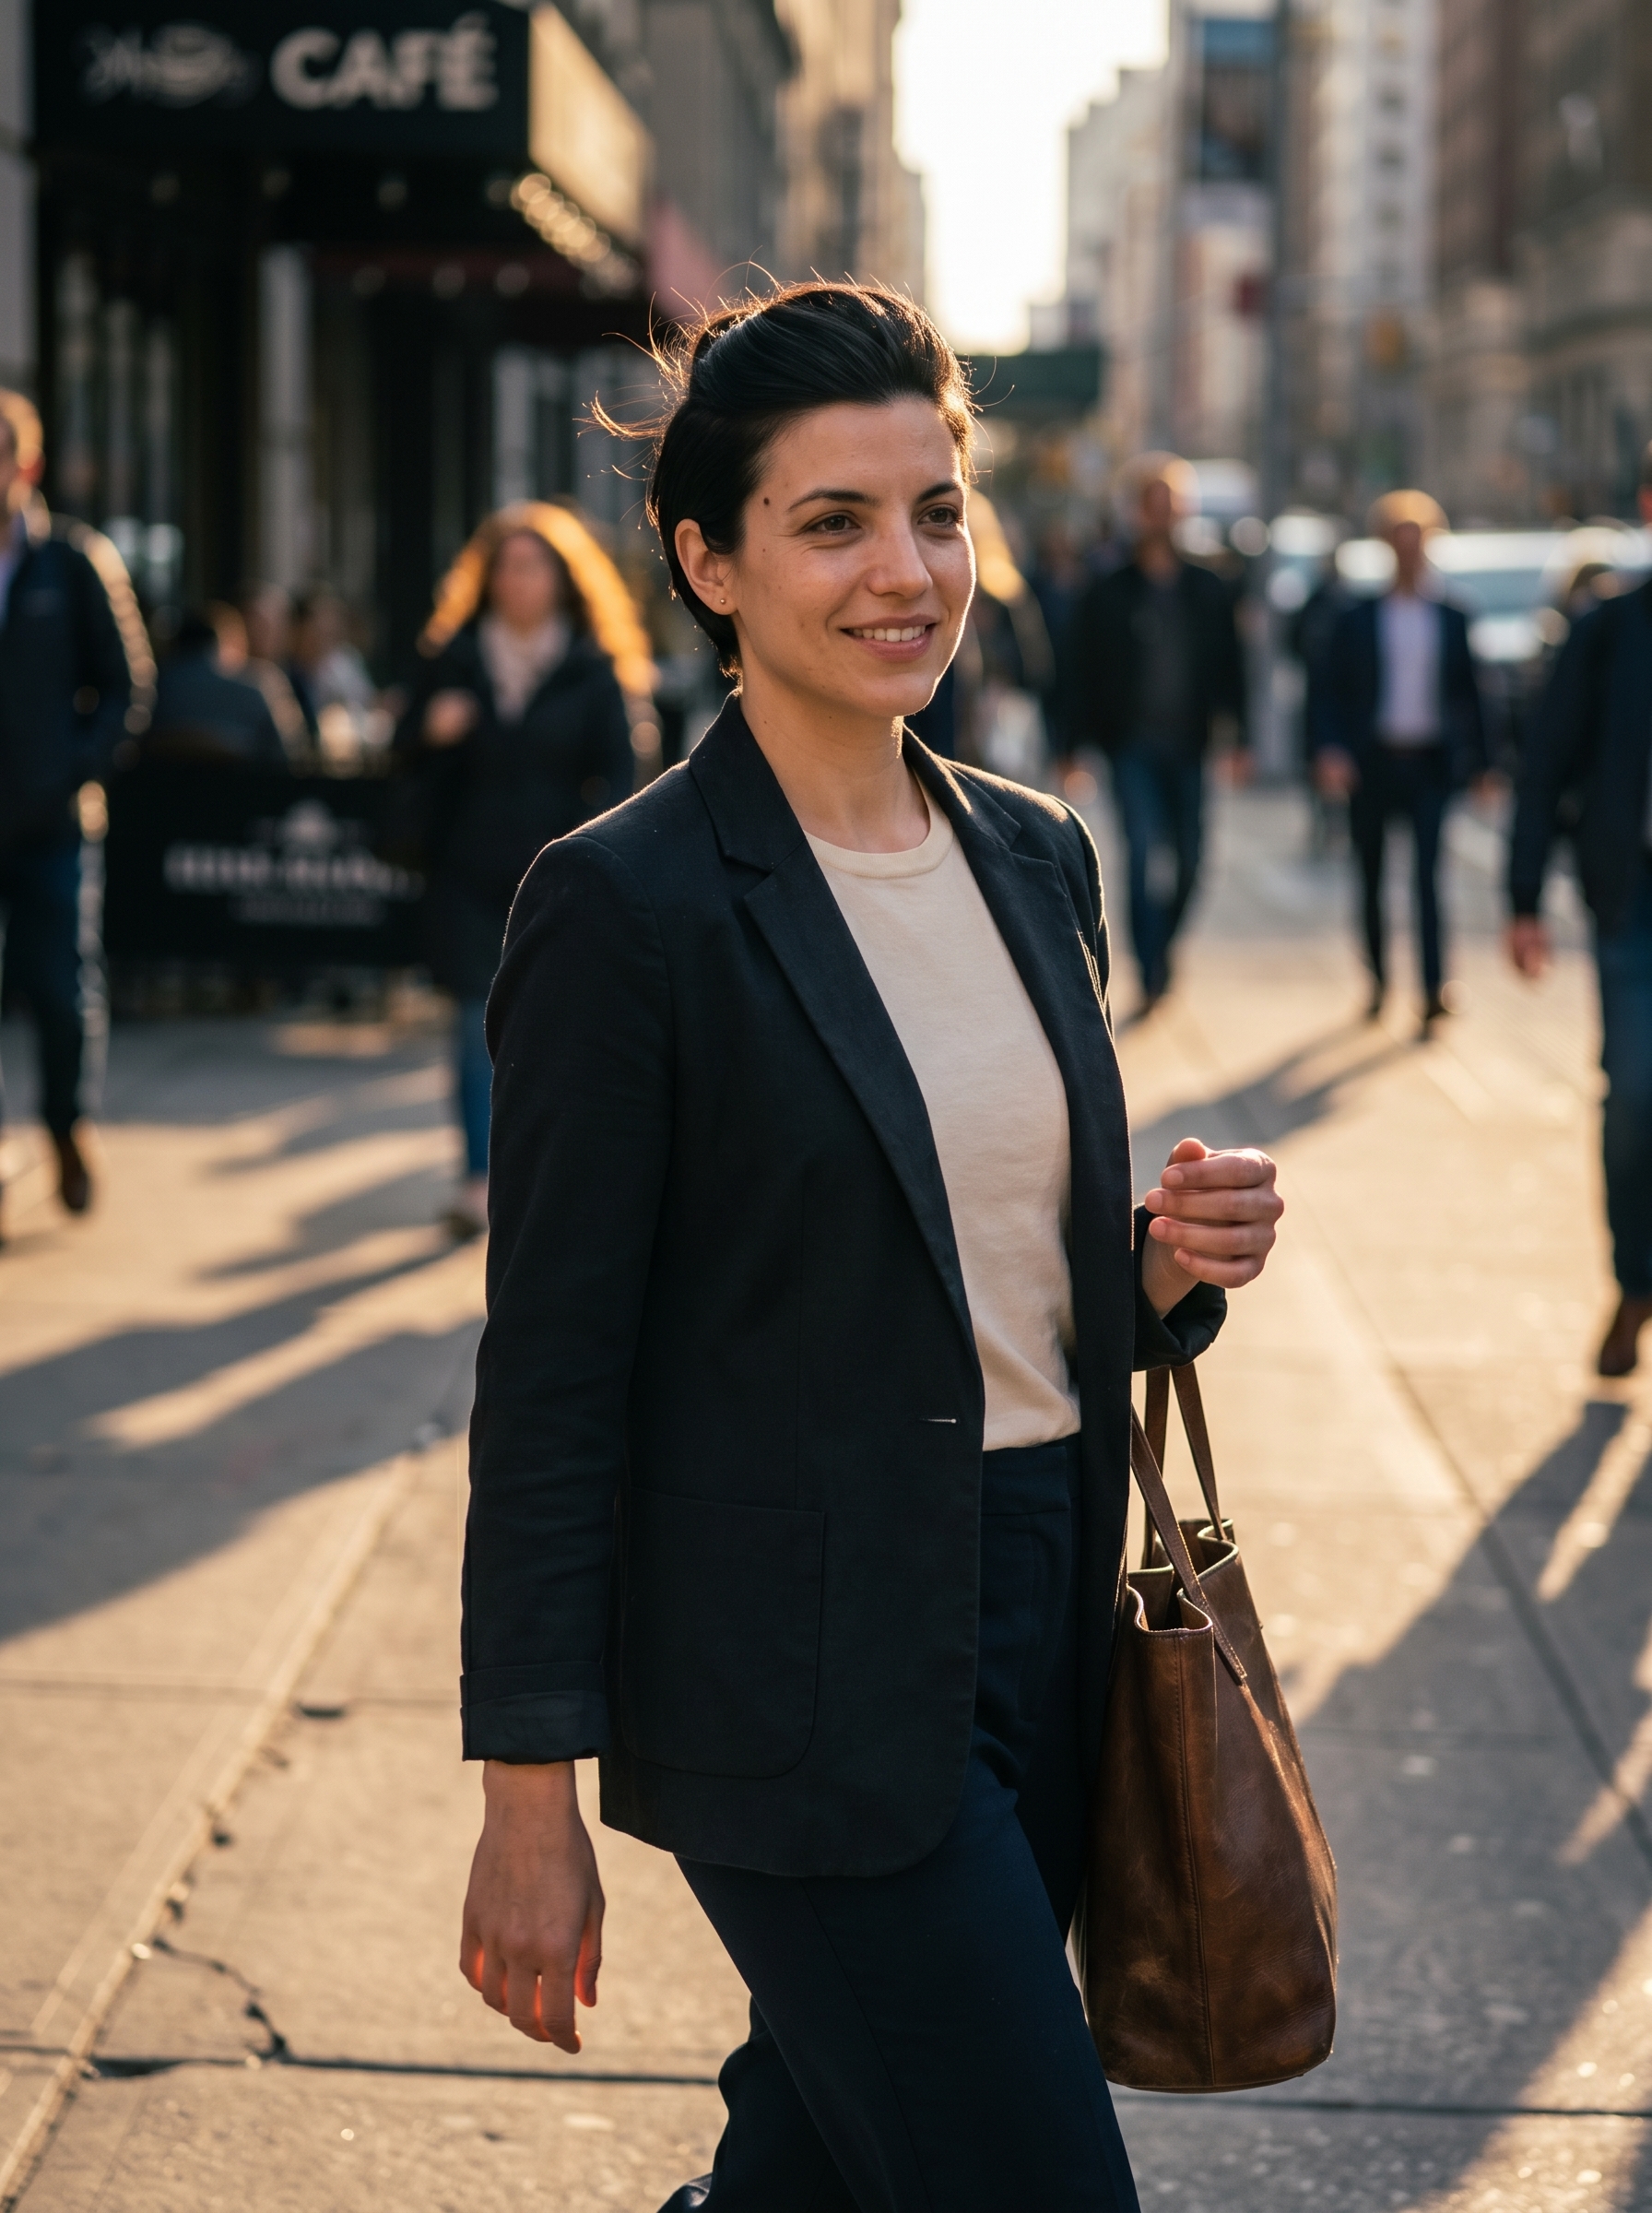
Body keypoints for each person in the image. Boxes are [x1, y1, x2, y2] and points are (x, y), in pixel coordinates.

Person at [455, 283, 1285, 2213]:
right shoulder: (622, 908)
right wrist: (526, 1796)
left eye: (934, 510)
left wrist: (1156, 1270)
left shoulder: (1030, 854)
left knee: (816, 2185)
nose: (904, 571)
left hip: (1036, 1625)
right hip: (793, 1690)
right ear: (707, 560)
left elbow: (994, 1275)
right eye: (832, 522)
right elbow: (552, 1379)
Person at [394, 502, 649, 1238]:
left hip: (562, 879)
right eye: (506, 566)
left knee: (556, 1031)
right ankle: (479, 1180)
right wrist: (431, 730)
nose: (519, 580)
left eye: (534, 565)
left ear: (564, 580)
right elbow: (400, 749)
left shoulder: (593, 669)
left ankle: (546, 1176)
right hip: (468, 874)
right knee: (473, 1026)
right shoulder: (456, 657)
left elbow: (623, 778)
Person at [1508, 446, 1652, 1378]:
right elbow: (1546, 760)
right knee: (1637, 1094)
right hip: (1631, 896)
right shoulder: (1611, 631)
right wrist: (1521, 899)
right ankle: (1634, 1283)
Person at [0, 389, 142, 1227]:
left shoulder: (74, 561)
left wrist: (77, 771)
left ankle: (65, 1127)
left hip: (52, 824)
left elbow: (127, 686)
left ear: (28, 466)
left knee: (58, 990)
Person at [1072, 454, 1249, 1009]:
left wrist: (1240, 738)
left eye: (1170, 504)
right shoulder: (1108, 589)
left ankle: (1164, 946)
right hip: (1132, 745)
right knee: (1143, 853)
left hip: (1190, 743)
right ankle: (1149, 968)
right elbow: (1081, 671)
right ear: (1135, 512)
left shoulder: (1208, 588)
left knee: (1193, 858)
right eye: (1152, 504)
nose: (1162, 515)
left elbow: (1232, 667)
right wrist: (1070, 746)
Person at [1315, 491, 1488, 1029]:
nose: (1410, 553)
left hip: (1430, 762)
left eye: (1418, 543)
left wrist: (1483, 764)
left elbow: (1473, 694)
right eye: (1400, 542)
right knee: (1370, 875)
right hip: (1375, 761)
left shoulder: (1451, 615)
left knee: (1428, 878)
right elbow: (1330, 691)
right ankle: (1378, 980)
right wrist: (1331, 749)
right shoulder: (1358, 617)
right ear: (1387, 546)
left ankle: (1434, 986)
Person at [148, 607, 290, 766]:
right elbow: (284, 759)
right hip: (241, 788)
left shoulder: (155, 685)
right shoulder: (256, 687)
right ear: (229, 643)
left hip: (160, 787)